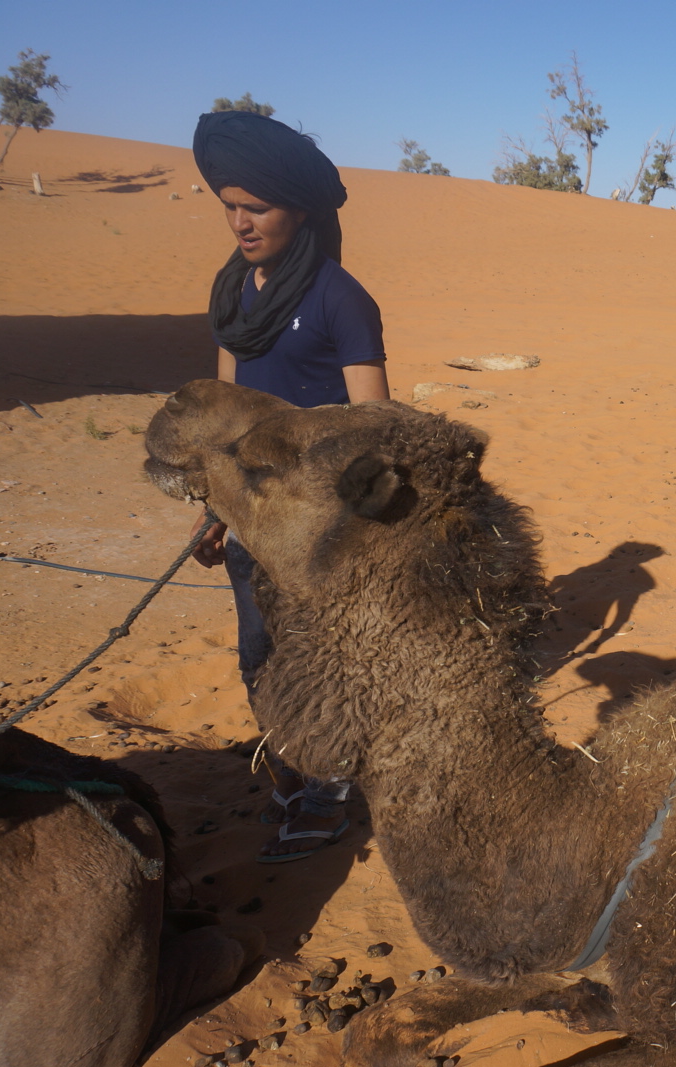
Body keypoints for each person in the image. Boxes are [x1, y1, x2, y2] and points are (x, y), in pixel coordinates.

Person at [187, 109, 390, 863]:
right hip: (251, 519)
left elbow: (374, 425)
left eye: (257, 208)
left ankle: (329, 791)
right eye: (230, 207)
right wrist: (217, 503)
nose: (241, 223)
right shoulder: (231, 294)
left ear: (296, 211)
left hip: (320, 526)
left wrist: (356, 525)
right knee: (258, 657)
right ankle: (293, 770)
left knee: (318, 661)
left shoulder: (341, 298)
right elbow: (221, 414)